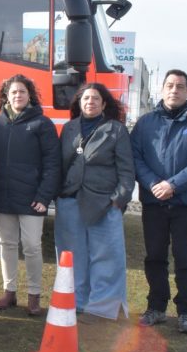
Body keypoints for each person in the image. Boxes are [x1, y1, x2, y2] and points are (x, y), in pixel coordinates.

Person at [131, 69, 187, 334]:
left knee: (185, 259)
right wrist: (153, 184)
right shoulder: (146, 123)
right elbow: (135, 157)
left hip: (184, 205)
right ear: (162, 89)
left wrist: (173, 185)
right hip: (153, 203)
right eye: (170, 85)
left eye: (180, 86)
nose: (174, 90)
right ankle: (156, 308)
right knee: (155, 257)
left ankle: (186, 311)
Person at [54, 83, 135, 321]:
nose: (90, 102)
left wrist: (118, 200)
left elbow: (127, 171)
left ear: (104, 104)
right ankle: (76, 302)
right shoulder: (68, 128)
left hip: (104, 203)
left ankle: (102, 307)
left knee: (107, 256)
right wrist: (57, 195)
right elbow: (59, 164)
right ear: (79, 103)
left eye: (96, 98)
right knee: (72, 255)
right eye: (86, 98)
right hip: (70, 200)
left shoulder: (116, 130)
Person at [0, 74, 60, 316]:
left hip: (32, 199)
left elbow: (53, 164)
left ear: (30, 95)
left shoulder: (43, 124)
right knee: (6, 244)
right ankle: (9, 292)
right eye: (13, 92)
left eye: (22, 92)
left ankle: (34, 295)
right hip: (3, 197)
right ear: (6, 95)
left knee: (31, 246)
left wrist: (44, 196)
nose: (18, 95)